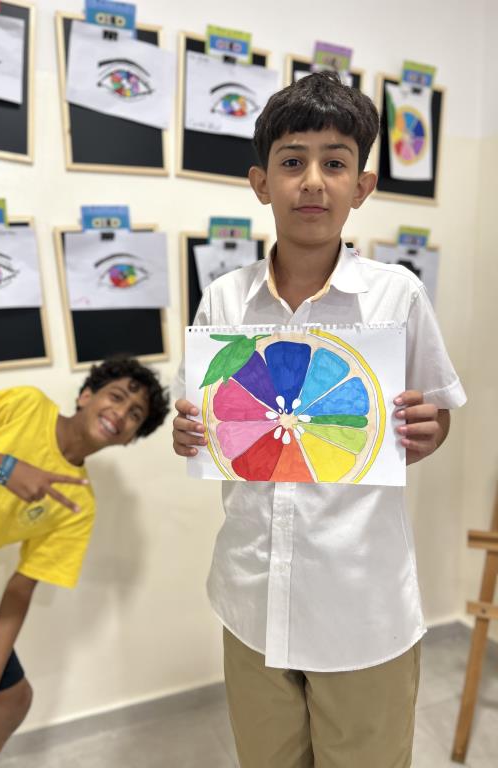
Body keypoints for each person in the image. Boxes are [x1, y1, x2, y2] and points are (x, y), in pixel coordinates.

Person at [172, 72, 466, 768]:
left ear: (361, 187)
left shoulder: (398, 296)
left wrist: (430, 430)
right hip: (251, 598)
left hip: (360, 605)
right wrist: (187, 432)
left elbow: (435, 413)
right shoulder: (224, 299)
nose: (312, 182)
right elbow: (203, 416)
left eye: (335, 163)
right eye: (292, 161)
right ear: (260, 182)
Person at [0, 357, 169, 767]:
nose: (121, 413)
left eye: (135, 415)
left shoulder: (78, 504)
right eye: (116, 396)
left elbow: (21, 590)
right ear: (86, 395)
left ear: (130, 439)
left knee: (12, 699)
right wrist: (3, 467)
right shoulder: (25, 404)